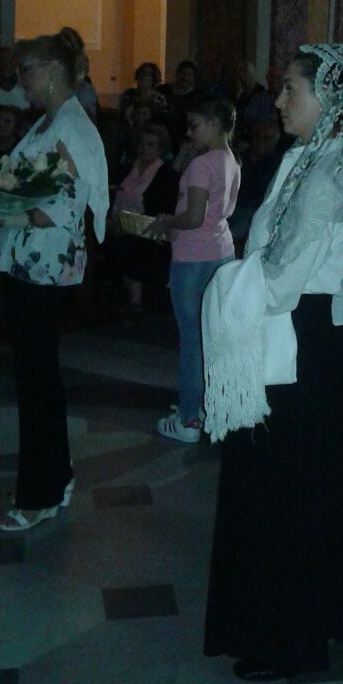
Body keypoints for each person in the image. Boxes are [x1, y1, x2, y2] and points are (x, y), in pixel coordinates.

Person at [201, 45, 343, 680]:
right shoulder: (318, 159)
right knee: (297, 493)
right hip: (309, 337)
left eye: (291, 89)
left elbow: (283, 277)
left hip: (308, 342)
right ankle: (293, 627)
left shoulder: (332, 175)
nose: (277, 101)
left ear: (335, 100)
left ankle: (291, 638)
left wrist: (226, 285)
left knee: (291, 496)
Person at [0, 30, 108, 532]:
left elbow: (63, 209)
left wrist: (0, 217)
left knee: (37, 380)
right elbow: (22, 183)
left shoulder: (71, 128)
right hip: (29, 263)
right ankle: (54, 474)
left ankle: (38, 494)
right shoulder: (48, 123)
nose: (20, 78)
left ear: (53, 71)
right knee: (37, 376)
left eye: (27, 70)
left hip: (44, 267)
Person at [149, 98, 240, 444]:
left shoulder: (202, 164)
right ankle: (207, 406)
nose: (189, 132)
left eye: (195, 124)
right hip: (221, 251)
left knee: (192, 339)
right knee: (211, 336)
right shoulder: (232, 160)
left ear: (215, 124)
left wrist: (165, 220)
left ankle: (188, 417)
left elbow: (194, 217)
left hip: (192, 256)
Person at [108, 122, 179, 315]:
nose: (145, 148)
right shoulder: (124, 170)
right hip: (115, 224)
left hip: (148, 231)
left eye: (151, 144)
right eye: (142, 143)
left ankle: (135, 301)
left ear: (160, 148)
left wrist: (131, 226)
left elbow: (164, 211)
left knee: (131, 246)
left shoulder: (168, 176)